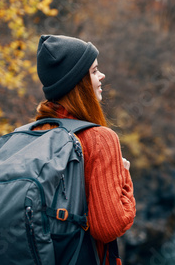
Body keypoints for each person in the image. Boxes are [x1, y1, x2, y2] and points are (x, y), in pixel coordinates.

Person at [33, 34, 136, 264]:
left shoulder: (34, 132)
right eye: (94, 71)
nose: (102, 76)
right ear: (78, 83)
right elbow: (110, 227)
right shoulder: (100, 138)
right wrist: (124, 177)